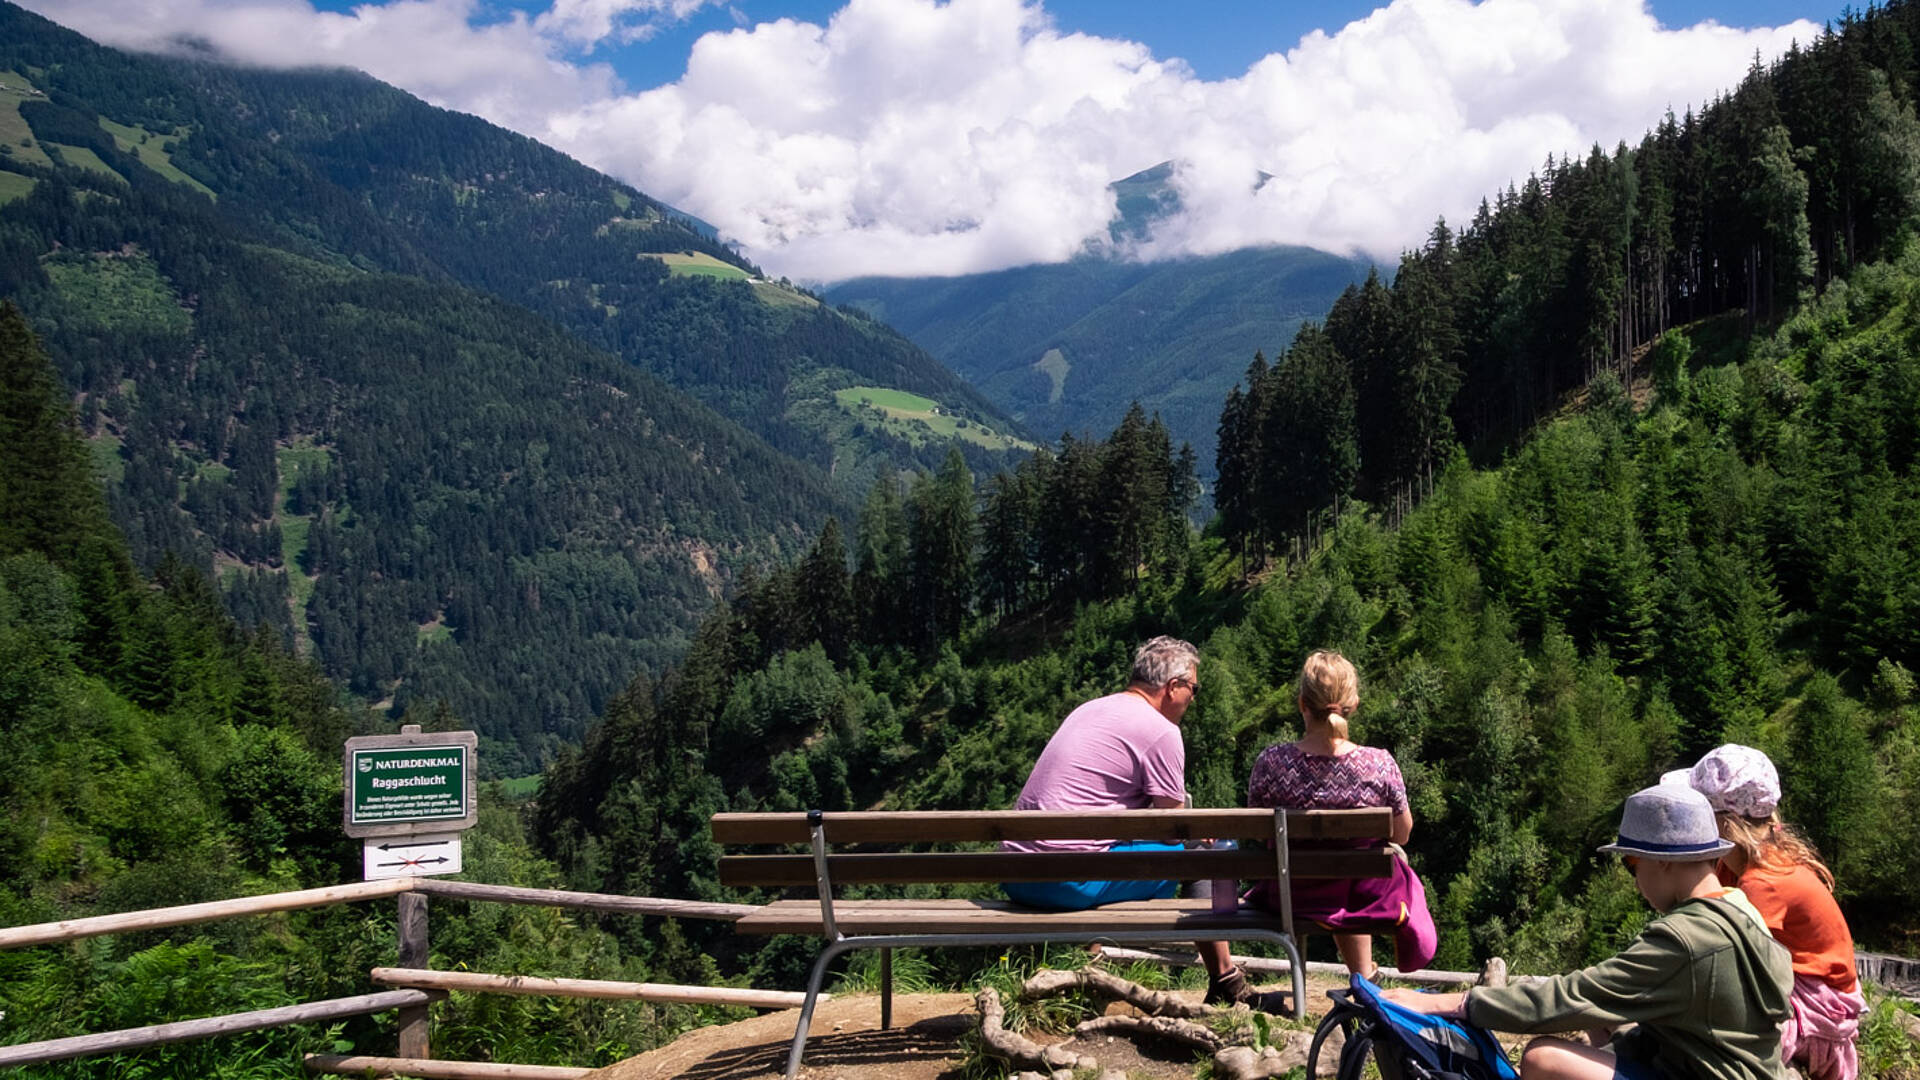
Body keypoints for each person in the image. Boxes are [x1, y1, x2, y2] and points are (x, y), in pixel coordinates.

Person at [1384, 783, 1793, 1080]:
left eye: (1632, 864)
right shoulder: (1737, 912)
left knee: (1543, 1060)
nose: (1635, 881)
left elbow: (1572, 996)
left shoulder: (1684, 940)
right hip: (1741, 1067)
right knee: (1605, 1020)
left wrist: (1452, 1005)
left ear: (1665, 861)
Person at [1002, 635, 1267, 1007]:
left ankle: (1090, 965)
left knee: (1109, 847)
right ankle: (1226, 980)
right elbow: (1177, 827)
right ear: (1172, 687)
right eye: (1194, 688)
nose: (1194, 697)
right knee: (1202, 850)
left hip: (1016, 875)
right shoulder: (1161, 730)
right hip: (1065, 883)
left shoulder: (1088, 709)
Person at [1244, 649, 1435, 975]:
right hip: (1366, 897)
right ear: (1354, 705)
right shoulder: (1379, 764)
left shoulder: (1272, 763)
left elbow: (1259, 833)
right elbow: (1402, 833)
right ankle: (1363, 975)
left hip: (1292, 896)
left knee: (1335, 872)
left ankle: (1361, 972)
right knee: (1376, 864)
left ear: (1303, 703)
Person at [1684, 745, 1865, 1080]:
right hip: (1808, 990)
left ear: (1724, 825)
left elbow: (1721, 955)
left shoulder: (1764, 882)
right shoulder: (1744, 862)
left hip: (1819, 1010)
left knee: (1702, 1036)